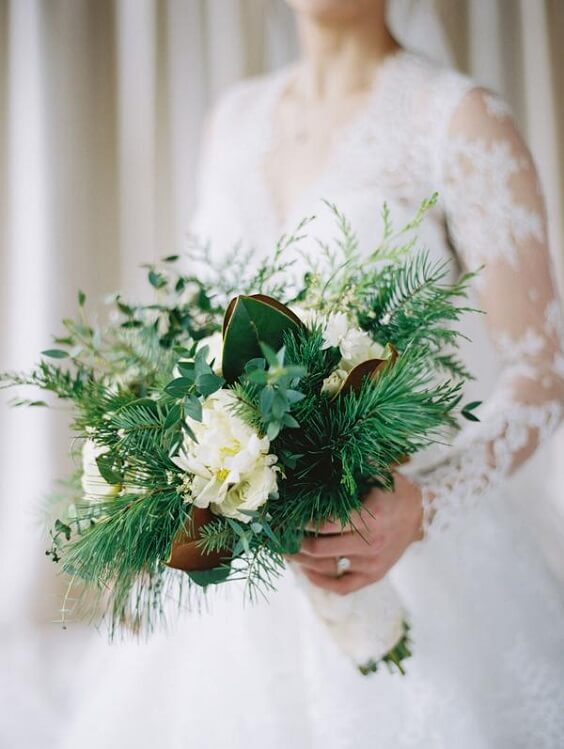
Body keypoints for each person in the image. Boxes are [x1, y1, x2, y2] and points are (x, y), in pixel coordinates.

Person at [60, 1, 564, 747]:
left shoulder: (459, 119)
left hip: (408, 541)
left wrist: (425, 504)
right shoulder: (230, 121)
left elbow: (541, 371)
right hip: (240, 585)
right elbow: (200, 339)